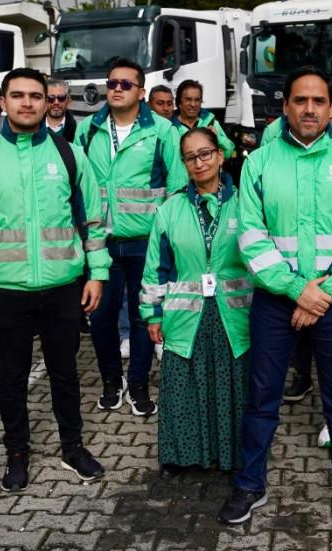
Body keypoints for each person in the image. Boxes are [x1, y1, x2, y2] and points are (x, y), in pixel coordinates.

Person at [220, 67, 332, 525]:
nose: (309, 109)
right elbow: (250, 236)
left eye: (318, 101)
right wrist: (296, 290)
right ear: (285, 106)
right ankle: (250, 484)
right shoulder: (259, 163)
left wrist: (322, 294)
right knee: (262, 396)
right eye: (299, 101)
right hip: (275, 300)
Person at [0, 68, 110, 491]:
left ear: (47, 101)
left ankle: (73, 447)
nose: (27, 103)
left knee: (65, 374)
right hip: (4, 291)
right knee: (12, 379)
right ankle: (16, 452)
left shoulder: (71, 153)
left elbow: (93, 220)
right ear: (2, 103)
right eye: (17, 95)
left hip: (62, 288)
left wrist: (97, 275)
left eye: (35, 96)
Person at [76, 57, 186, 417]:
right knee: (102, 318)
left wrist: (167, 240)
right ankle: (111, 381)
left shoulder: (164, 131)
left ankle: (138, 383)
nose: (117, 89)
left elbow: (178, 188)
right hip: (101, 245)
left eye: (126, 84)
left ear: (140, 91)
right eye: (112, 83)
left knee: (144, 318)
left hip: (146, 244)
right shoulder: (87, 130)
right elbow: (77, 186)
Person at [141, 127, 251, 475]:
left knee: (233, 386)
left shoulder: (246, 203)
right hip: (185, 318)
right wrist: (151, 314)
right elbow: (156, 269)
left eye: (205, 153)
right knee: (185, 386)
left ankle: (235, 455)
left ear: (220, 156)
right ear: (184, 164)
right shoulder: (169, 210)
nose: (199, 162)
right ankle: (185, 455)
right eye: (191, 157)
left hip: (234, 316)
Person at [172, 79, 236, 159]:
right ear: (179, 102)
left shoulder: (210, 122)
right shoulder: (171, 127)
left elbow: (229, 153)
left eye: (197, 100)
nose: (193, 104)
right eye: (188, 99)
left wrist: (217, 139)